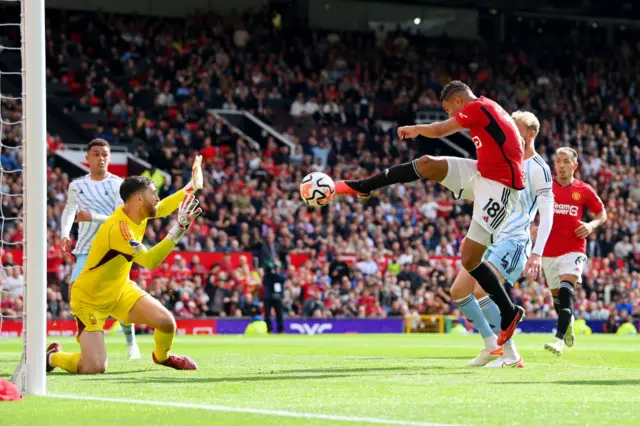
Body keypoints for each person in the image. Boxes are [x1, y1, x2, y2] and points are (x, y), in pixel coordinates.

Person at [334, 81, 525, 344]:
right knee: (426, 164)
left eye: (448, 109)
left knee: (469, 259)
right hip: (483, 173)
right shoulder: (487, 107)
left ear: (459, 102)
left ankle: (509, 311)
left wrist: (416, 129)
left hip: (501, 188)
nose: (450, 115)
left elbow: (440, 130)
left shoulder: (478, 107)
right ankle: (363, 186)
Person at [46, 159, 204, 374]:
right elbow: (149, 261)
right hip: (90, 299)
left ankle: (162, 357)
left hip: (119, 290)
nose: (157, 199)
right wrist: (179, 228)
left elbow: (165, 206)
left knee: (167, 323)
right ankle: (53, 357)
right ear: (139, 199)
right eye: (154, 194)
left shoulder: (139, 212)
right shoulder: (119, 230)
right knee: (94, 367)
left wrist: (192, 186)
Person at [448, 111, 554, 368]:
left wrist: (537, 253)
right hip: (489, 237)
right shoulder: (504, 160)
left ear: (530, 134)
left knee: (481, 290)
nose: (508, 133)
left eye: (514, 129)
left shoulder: (539, 168)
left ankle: (511, 353)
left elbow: (547, 213)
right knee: (459, 291)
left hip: (514, 240)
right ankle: (490, 344)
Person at [60, 139, 140, 359]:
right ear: (87, 158)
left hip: (113, 250)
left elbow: (120, 219)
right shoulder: (77, 185)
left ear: (110, 158)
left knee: (118, 296)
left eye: (105, 154)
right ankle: (85, 336)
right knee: (75, 290)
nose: (101, 158)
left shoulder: (118, 185)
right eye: (96, 154)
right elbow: (69, 211)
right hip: (86, 249)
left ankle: (130, 340)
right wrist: (65, 234)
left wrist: (92, 217)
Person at [542, 147, 607, 356]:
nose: (561, 166)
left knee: (565, 290)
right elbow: (529, 208)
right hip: (548, 251)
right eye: (558, 161)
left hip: (574, 249)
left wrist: (591, 225)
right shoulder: (545, 187)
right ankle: (567, 324)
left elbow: (601, 213)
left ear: (575, 165)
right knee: (558, 301)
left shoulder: (584, 189)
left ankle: (558, 339)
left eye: (566, 162)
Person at [262, 260, 286, 334]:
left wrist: (275, 273)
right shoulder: (267, 276)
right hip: (268, 296)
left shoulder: (280, 274)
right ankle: (269, 330)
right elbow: (264, 282)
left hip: (277, 297)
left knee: (279, 314)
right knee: (267, 314)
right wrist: (270, 273)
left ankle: (280, 330)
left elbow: (283, 279)